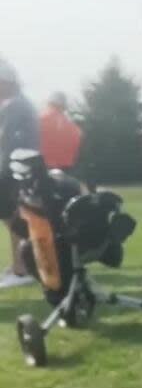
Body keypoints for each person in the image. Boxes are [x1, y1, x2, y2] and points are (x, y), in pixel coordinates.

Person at [0, 57, 37, 288]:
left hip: (13, 170)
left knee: (14, 218)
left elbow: (7, 142)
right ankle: (22, 264)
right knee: (14, 218)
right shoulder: (20, 104)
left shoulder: (14, 106)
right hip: (18, 168)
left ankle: (22, 269)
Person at [37, 92, 83, 173]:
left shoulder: (39, 120)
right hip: (65, 171)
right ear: (64, 107)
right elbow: (76, 152)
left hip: (41, 169)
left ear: (49, 103)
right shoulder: (75, 128)